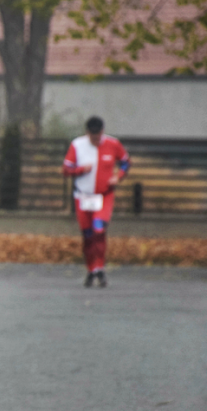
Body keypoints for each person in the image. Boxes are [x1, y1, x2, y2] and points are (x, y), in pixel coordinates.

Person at [62, 116, 130, 287]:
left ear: (102, 132)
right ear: (87, 133)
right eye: (92, 137)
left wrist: (118, 177)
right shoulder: (77, 145)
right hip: (83, 196)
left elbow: (125, 163)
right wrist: (80, 170)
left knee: (99, 229)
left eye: (98, 136)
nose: (96, 140)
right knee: (88, 235)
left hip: (104, 195)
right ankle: (91, 269)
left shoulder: (113, 144)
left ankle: (100, 266)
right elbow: (66, 169)